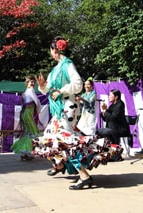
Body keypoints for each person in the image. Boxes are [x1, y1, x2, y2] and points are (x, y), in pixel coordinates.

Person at [35, 36, 101, 190]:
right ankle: (59, 163)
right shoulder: (55, 69)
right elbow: (48, 89)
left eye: (51, 50)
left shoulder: (67, 64)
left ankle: (84, 176)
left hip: (68, 105)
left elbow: (78, 84)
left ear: (55, 49)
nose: (50, 53)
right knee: (49, 136)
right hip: (59, 109)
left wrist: (61, 91)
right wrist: (43, 86)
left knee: (65, 139)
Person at [11, 75, 42, 159]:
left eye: (33, 82)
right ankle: (26, 152)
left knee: (27, 132)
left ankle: (24, 153)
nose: (32, 83)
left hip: (25, 113)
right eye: (30, 82)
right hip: (28, 113)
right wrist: (39, 111)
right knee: (32, 132)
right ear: (27, 83)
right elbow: (36, 102)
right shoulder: (31, 90)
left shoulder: (25, 92)